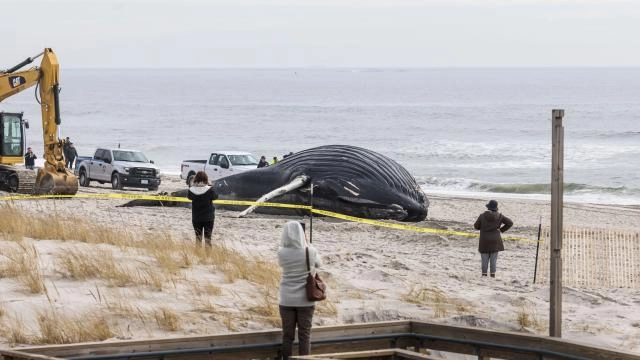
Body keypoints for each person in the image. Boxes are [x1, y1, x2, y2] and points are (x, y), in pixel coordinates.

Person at [278, 221, 321, 360]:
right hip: (305, 300)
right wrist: (308, 244)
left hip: (286, 300)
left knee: (287, 335)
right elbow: (319, 264)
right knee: (304, 335)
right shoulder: (310, 251)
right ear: (302, 234)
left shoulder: (281, 252)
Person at [474, 200, 513, 278]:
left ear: (488, 207)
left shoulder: (482, 216)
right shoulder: (500, 216)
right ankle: (492, 274)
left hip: (484, 240)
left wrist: (482, 226)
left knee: (484, 258)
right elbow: (510, 223)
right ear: (496, 208)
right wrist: (501, 230)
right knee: (493, 259)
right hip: (495, 240)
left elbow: (476, 226)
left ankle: (484, 274)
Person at [187, 171, 219, 246]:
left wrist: (194, 186)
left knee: (198, 238)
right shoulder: (210, 189)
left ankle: (198, 255)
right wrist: (210, 185)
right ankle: (208, 256)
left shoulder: (191, 190)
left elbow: (189, 197)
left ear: (195, 180)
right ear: (206, 179)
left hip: (196, 217)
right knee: (208, 239)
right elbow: (215, 197)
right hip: (208, 218)